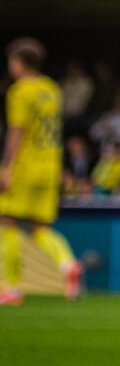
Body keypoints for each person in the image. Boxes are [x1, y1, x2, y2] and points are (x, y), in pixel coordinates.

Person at [1, 38, 81, 305]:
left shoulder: (21, 91)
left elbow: (17, 130)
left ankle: (9, 287)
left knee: (7, 222)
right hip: (50, 166)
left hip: (26, 166)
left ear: (18, 62)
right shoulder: (51, 89)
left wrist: (7, 167)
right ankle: (67, 263)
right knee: (40, 227)